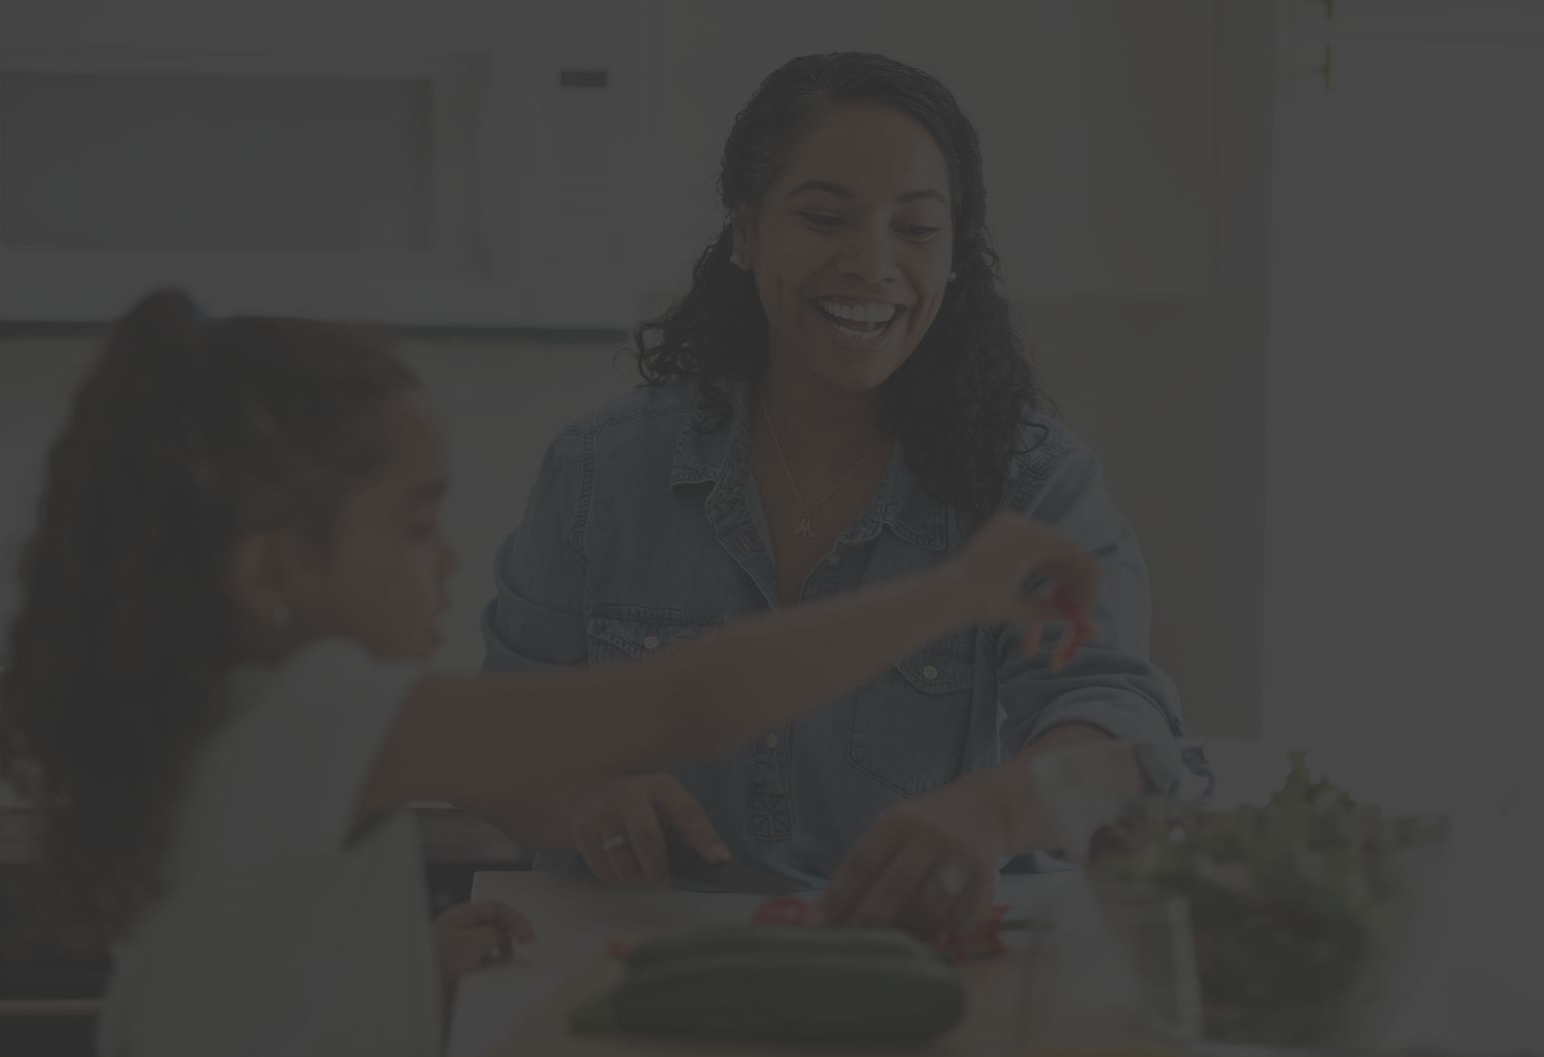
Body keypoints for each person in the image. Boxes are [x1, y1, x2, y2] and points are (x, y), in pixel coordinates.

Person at [0, 288, 1105, 1057]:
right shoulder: (315, 713)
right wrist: (961, 586)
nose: (448, 560)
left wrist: (403, 978)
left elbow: (243, 996)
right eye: (416, 525)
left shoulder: (220, 727)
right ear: (269, 570)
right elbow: (685, 704)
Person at [475, 52, 1211, 933]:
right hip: (639, 960)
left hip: (925, 970)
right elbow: (502, 745)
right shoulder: (601, 470)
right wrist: (581, 803)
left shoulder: (1035, 483)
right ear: (745, 232)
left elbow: (1121, 730)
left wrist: (992, 810)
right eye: (825, 217)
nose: (872, 263)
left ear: (955, 256)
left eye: (916, 229)